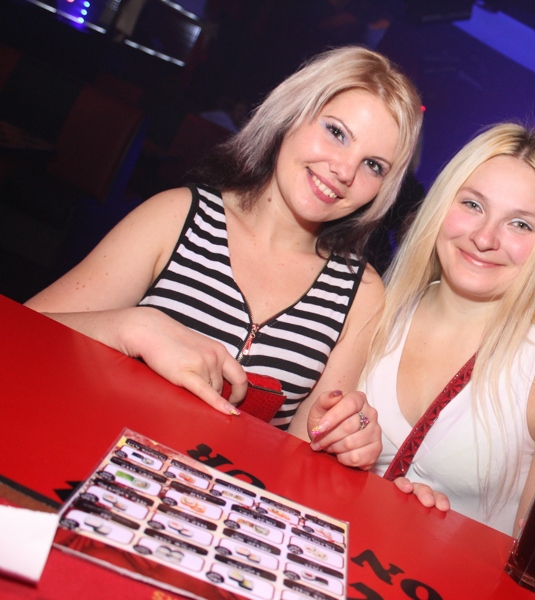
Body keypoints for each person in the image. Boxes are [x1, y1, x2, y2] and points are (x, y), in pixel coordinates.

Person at [24, 46, 423, 469]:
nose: (345, 170)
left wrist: (342, 443)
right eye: (336, 132)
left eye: (374, 165)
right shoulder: (178, 216)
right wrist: (132, 327)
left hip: (218, 503)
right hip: (87, 461)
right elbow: (22, 333)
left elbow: (299, 462)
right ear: (291, 114)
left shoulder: (360, 293)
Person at [356, 123, 535, 598]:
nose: (484, 237)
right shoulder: (377, 304)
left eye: (521, 224)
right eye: (472, 205)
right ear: (442, 205)